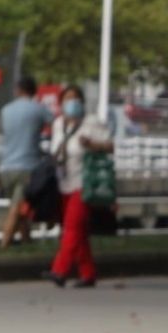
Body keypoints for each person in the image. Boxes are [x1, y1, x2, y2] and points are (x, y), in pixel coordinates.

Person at [42, 84, 112, 288]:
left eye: (75, 99)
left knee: (72, 228)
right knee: (76, 231)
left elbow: (110, 146)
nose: (71, 103)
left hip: (83, 182)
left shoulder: (91, 123)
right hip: (63, 181)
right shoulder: (58, 125)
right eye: (67, 99)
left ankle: (59, 270)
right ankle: (87, 272)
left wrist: (92, 144)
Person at [0, 75, 52, 248]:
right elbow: (56, 125)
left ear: (18, 90)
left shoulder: (5, 110)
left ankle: (27, 242)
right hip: (28, 166)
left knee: (19, 207)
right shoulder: (38, 109)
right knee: (17, 208)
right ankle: (4, 244)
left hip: (5, 167)